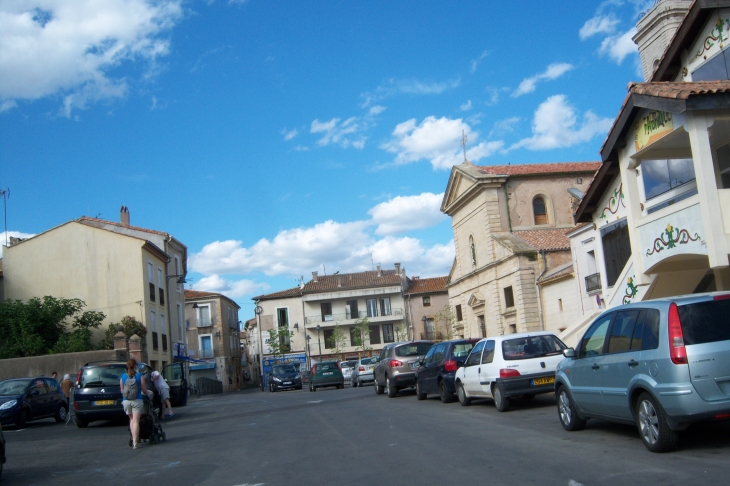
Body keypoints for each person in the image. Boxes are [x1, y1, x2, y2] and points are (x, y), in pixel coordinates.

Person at [120, 358, 148, 449]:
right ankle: (136, 442)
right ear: (135, 366)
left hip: (126, 401)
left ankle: (133, 439)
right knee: (136, 421)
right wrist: (147, 393)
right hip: (137, 400)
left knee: (131, 420)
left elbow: (122, 390)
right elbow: (144, 390)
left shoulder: (123, 377)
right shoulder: (140, 376)